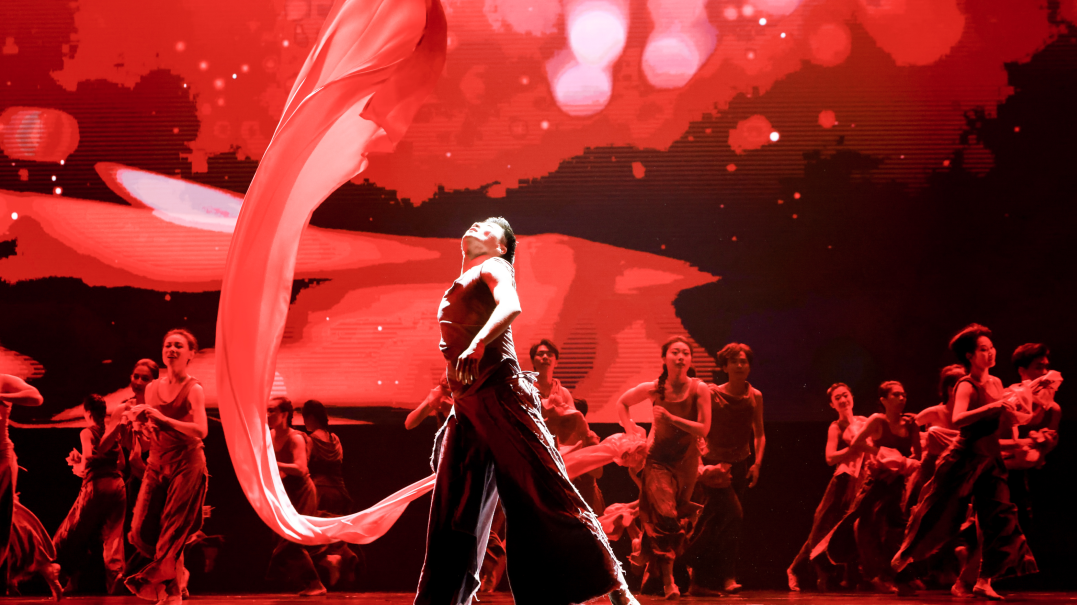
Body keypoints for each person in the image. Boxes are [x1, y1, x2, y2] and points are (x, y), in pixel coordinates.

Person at [414, 217, 638, 605]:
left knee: (544, 492)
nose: (477, 224)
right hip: (468, 410)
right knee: (454, 512)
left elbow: (510, 304)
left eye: (488, 227)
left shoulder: (495, 267)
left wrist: (479, 343)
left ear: (501, 248)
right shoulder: (463, 281)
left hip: (502, 397)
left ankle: (613, 583)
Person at [892, 324, 1038, 599]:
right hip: (965, 457)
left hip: (990, 459)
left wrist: (1024, 409)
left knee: (1002, 518)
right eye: (983, 349)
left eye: (991, 348)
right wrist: (993, 407)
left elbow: (1006, 417)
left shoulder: (996, 383)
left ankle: (984, 580)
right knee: (939, 510)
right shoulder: (966, 385)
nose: (991, 353)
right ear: (970, 356)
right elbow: (958, 419)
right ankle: (907, 553)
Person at [617, 336, 711, 599]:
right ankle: (669, 582)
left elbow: (704, 428)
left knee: (674, 518)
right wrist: (631, 431)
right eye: (675, 352)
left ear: (690, 360)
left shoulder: (699, 389)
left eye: (685, 353)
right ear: (664, 358)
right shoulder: (654, 388)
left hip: (686, 462)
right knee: (666, 515)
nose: (680, 357)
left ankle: (648, 559)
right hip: (657, 461)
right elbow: (622, 402)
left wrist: (671, 417)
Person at [124, 329, 210, 605]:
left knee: (171, 529)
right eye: (168, 345)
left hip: (187, 463)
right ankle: (176, 570)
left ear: (190, 354)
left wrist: (162, 419)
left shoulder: (193, 389)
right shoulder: (151, 388)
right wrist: (140, 425)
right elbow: (152, 428)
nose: (172, 349)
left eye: (179, 346)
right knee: (139, 530)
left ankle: (171, 592)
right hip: (157, 462)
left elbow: (201, 430)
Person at [815, 381, 921, 593]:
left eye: (904, 394)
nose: (902, 398)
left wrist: (901, 466)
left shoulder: (909, 423)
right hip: (870, 480)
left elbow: (917, 456)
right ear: (883, 400)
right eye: (896, 395)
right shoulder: (871, 421)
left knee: (898, 526)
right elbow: (849, 448)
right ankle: (867, 573)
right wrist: (882, 456)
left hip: (896, 482)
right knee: (857, 523)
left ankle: (899, 573)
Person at [683, 342, 764, 596]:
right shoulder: (712, 393)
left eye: (744, 361)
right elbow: (697, 429)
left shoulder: (755, 396)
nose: (740, 365)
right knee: (732, 515)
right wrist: (701, 465)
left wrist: (757, 464)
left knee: (722, 523)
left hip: (739, 465)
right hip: (713, 466)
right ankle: (688, 562)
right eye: (734, 361)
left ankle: (710, 578)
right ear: (725, 366)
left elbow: (759, 434)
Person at [787, 383, 869, 592]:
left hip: (861, 479)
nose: (842, 400)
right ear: (832, 405)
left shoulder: (864, 421)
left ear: (852, 397)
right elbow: (830, 458)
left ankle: (851, 577)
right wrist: (852, 449)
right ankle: (796, 569)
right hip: (842, 480)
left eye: (845, 395)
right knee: (821, 529)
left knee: (851, 529)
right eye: (837, 398)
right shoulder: (835, 427)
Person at [53, 394, 126, 594]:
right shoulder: (112, 432)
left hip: (97, 487)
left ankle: (70, 577)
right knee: (114, 536)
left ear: (87, 412)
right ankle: (115, 579)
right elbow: (121, 463)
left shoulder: (87, 432)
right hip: (117, 485)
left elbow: (87, 463)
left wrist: (77, 465)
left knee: (73, 533)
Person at [0, 374, 62, 599]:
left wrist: (1, 396)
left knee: (6, 515)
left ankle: (34, 567)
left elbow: (36, 397)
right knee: (9, 517)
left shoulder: (2, 380)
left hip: (1, 458)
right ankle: (40, 567)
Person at [266, 397, 327, 596]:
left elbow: (301, 469)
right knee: (284, 540)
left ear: (284, 414)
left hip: (301, 492)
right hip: (286, 492)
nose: (268, 415)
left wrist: (274, 464)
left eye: (272, 410)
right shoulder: (270, 436)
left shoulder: (295, 438)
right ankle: (312, 580)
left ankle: (316, 583)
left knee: (290, 540)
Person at [1001, 344, 1059, 550]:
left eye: (1046, 367)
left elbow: (1044, 453)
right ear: (1022, 370)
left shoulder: (1053, 409)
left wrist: (1046, 444)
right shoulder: (1007, 400)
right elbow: (990, 445)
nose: (1044, 373)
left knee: (1027, 535)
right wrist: (1021, 445)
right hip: (1003, 477)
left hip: (1031, 480)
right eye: (1038, 367)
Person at [531, 339, 587, 446]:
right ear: (533, 361)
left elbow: (575, 424)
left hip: (561, 447)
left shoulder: (564, 392)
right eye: (540, 354)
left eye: (550, 355)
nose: (545, 357)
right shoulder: (524, 390)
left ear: (556, 362)